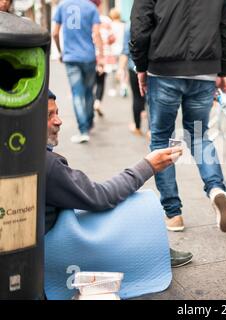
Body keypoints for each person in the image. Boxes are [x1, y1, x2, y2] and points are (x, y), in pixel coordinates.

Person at [45, 90, 193, 268]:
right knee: (135, 204)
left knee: (120, 200)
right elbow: (101, 197)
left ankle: (154, 249)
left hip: (57, 231)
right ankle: (154, 251)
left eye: (57, 113)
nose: (58, 121)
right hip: (56, 245)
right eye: (48, 115)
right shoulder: (47, 164)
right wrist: (148, 165)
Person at [130, 0, 226, 233]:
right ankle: (216, 188)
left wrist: (140, 65)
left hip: (163, 70)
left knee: (161, 140)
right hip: (205, 70)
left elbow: (140, 26)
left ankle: (173, 213)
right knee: (199, 135)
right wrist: (224, 69)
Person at [52, 0, 104, 144]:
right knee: (88, 91)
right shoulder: (91, 7)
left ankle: (83, 130)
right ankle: (89, 121)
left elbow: (55, 33)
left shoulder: (62, 6)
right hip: (88, 56)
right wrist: (101, 55)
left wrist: (61, 52)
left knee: (77, 94)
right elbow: (97, 33)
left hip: (71, 57)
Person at [118, 24, 146, 137]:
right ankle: (150, 130)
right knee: (151, 99)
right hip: (152, 67)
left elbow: (125, 50)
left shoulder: (129, 26)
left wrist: (120, 68)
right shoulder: (156, 20)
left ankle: (138, 127)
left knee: (137, 97)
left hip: (134, 66)